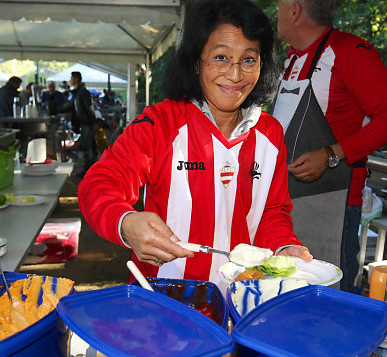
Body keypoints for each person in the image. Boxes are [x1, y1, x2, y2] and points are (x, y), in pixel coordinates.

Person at [78, 0, 312, 289]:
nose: (235, 74)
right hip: (163, 298)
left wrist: (283, 248)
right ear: (195, 63)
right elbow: (99, 184)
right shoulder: (160, 124)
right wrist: (126, 223)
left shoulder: (270, 133)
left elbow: (271, 213)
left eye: (249, 59)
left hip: (242, 297)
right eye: (221, 58)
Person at [272, 0, 387, 293]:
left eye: (279, 5)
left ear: (295, 10)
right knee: (284, 288)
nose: (276, 12)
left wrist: (331, 154)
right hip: (282, 202)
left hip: (333, 202)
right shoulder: (291, 58)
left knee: (329, 291)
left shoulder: (351, 53)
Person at [66, 72, 96, 176]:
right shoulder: (77, 93)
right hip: (83, 122)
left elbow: (88, 108)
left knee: (87, 147)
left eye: (71, 78)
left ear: (76, 79)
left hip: (86, 122)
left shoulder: (82, 92)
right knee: (87, 146)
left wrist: (93, 122)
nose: (70, 80)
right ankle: (88, 170)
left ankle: (88, 170)